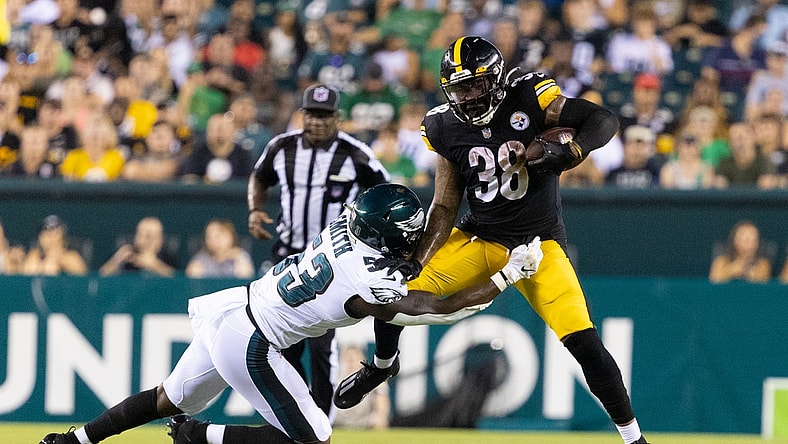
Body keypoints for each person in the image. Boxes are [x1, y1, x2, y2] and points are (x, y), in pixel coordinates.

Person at [39, 183, 544, 444]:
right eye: (408, 230)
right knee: (313, 438)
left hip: (236, 310)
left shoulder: (346, 236)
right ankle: (202, 436)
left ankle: (77, 439)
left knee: (166, 398)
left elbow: (388, 311)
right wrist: (507, 275)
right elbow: (436, 308)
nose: (415, 238)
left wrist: (381, 367)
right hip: (254, 341)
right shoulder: (368, 278)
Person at [333, 36, 649, 444]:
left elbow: (602, 120)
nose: (467, 95)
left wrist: (574, 151)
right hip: (479, 237)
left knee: (584, 340)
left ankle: (633, 438)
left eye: (475, 85)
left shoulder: (530, 96)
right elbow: (445, 205)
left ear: (496, 80)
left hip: (539, 245)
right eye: (459, 87)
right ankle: (381, 364)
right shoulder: (444, 125)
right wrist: (419, 258)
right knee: (394, 287)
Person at [247, 84, 390, 418]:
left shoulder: (355, 153)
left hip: (330, 263)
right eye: (312, 114)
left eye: (325, 116)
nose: (318, 122)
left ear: (336, 118)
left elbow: (385, 191)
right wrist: (255, 209)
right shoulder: (281, 148)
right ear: (302, 114)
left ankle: (321, 421)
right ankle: (297, 417)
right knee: (281, 345)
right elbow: (259, 177)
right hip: (286, 259)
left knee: (321, 345)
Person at [99, 216, 178, 277]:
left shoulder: (168, 258)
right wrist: (117, 259)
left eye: (149, 236)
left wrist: (154, 265)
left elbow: (178, 280)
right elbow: (100, 277)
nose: (144, 240)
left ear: (160, 239)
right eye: (140, 235)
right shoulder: (128, 259)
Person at [185, 219, 255, 279]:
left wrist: (238, 258)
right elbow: (192, 280)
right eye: (209, 237)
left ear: (230, 236)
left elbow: (246, 278)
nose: (214, 240)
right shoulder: (201, 258)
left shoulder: (240, 256)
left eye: (218, 236)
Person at [21, 215, 88, 276]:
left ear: (61, 233)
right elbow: (27, 271)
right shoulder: (35, 254)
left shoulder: (71, 256)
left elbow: (82, 275)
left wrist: (57, 263)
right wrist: (43, 266)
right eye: (44, 230)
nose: (47, 235)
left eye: (52, 230)